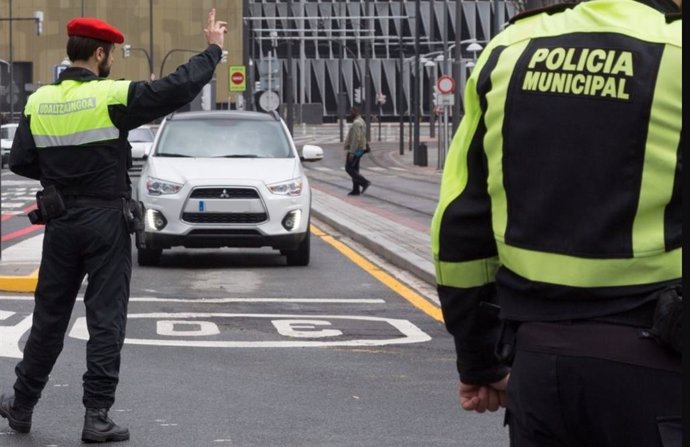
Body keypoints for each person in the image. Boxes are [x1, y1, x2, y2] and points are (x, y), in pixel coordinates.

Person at [431, 0, 681, 445]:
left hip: (539, 372)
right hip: (660, 371)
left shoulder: (510, 47)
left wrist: (480, 363)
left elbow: (458, 227)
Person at [0, 10, 227, 443]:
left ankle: (22, 406)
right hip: (106, 220)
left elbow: (22, 161)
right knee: (105, 319)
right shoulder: (111, 95)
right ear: (100, 53)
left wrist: (60, 177)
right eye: (113, 55)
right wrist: (213, 49)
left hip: (61, 220)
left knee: (48, 319)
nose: (113, 62)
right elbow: (175, 87)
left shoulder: (38, 101)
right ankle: (96, 416)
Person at [343, 107, 371, 196]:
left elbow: (356, 138)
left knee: (349, 168)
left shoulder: (356, 123)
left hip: (356, 149)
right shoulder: (362, 121)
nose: (350, 114)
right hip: (360, 149)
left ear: (355, 112)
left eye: (351, 112)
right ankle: (356, 189)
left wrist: (352, 152)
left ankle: (364, 182)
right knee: (355, 169)